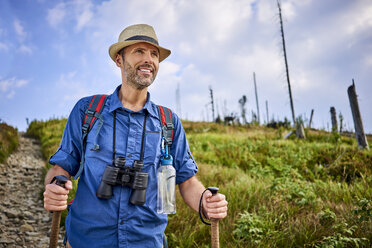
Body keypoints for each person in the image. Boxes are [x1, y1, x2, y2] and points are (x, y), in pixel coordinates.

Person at [43, 24, 228, 248]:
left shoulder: (169, 122)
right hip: (87, 240)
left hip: (146, 242)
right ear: (119, 60)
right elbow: (60, 169)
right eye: (139, 51)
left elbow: (187, 182)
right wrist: (53, 188)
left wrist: (206, 202)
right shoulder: (87, 111)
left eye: (154, 54)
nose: (148, 59)